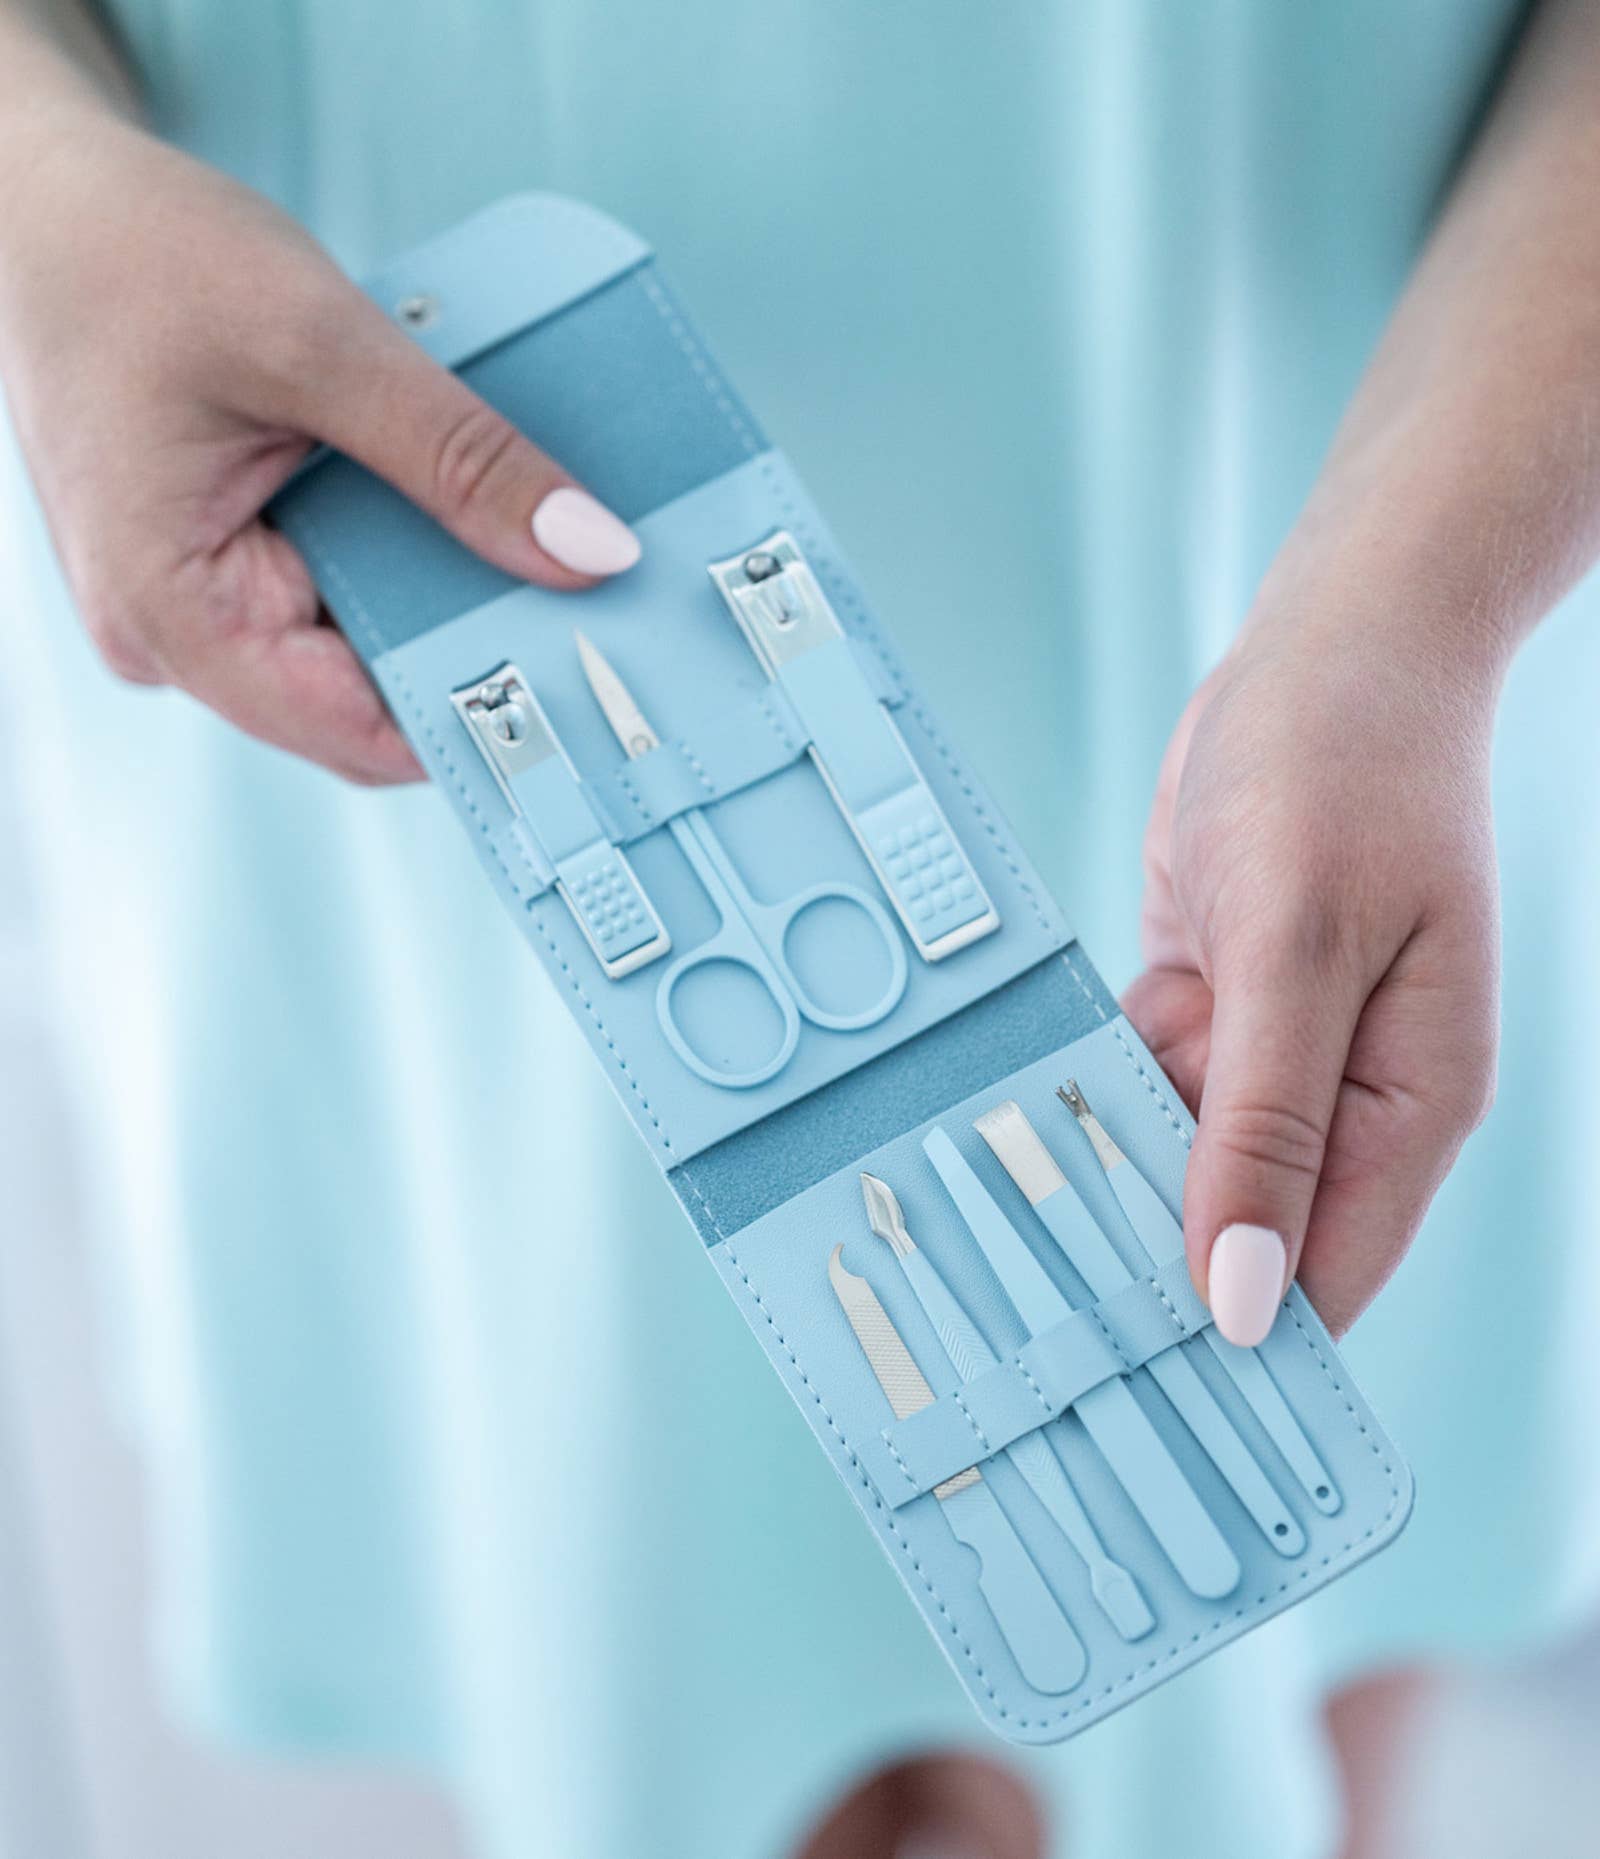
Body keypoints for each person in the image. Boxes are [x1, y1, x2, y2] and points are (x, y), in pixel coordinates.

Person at [2, 2, 1597, 1856]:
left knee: (1236, 1581)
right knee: (610, 1611)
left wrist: (1412, 610)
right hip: (317, 463)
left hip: (1358, 492)